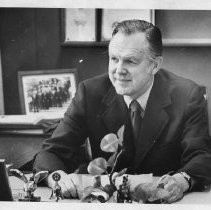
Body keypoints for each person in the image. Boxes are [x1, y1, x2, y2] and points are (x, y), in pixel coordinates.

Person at [33, 19, 211, 203]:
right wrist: (57, 177)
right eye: (114, 59)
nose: (118, 70)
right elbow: (50, 153)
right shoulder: (90, 92)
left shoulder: (187, 94)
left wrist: (182, 181)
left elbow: (201, 155)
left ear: (155, 65)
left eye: (130, 61)